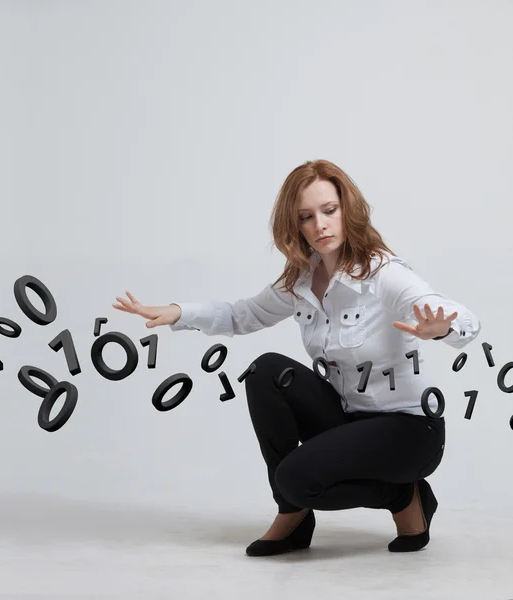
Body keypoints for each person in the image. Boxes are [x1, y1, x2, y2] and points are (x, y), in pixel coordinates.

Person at [112, 159, 481, 557]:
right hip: (348, 419)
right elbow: (244, 314)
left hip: (408, 431)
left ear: (347, 210)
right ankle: (294, 514)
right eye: (306, 217)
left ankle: (404, 496)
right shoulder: (302, 280)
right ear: (296, 225)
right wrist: (177, 312)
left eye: (329, 211)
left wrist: (440, 328)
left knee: (296, 477)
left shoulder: (383, 273)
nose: (320, 225)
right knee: (266, 370)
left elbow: (461, 319)